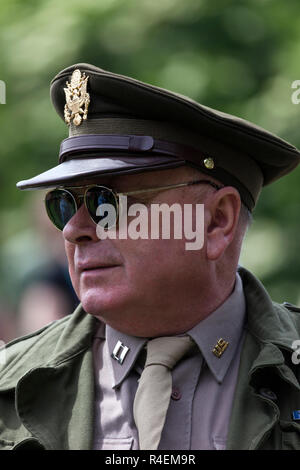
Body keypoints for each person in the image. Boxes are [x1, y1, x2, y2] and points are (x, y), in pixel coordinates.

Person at [0, 63, 300, 451]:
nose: (74, 230)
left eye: (106, 202)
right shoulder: (10, 389)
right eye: (63, 203)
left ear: (214, 222)